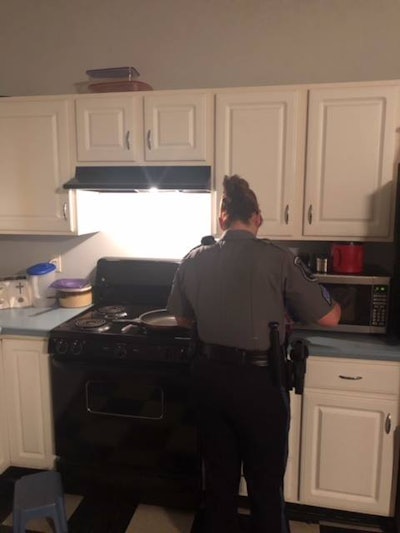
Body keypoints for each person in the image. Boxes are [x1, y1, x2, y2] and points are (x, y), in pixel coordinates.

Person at [167, 175, 341, 533]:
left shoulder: (193, 258)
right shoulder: (280, 260)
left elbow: (182, 317)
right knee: (265, 485)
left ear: (222, 218)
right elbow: (331, 317)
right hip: (260, 385)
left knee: (218, 482)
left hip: (209, 381)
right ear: (258, 218)